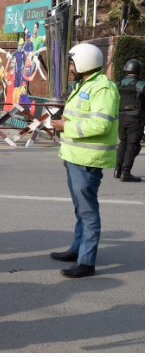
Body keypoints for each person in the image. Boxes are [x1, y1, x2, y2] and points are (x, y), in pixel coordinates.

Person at [49, 43, 119, 279]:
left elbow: (101, 124)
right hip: (75, 157)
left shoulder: (103, 89)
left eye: (72, 62)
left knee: (88, 211)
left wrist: (65, 126)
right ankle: (77, 249)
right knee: (80, 209)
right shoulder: (84, 85)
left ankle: (87, 262)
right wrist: (67, 154)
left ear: (84, 62)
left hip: (88, 159)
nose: (70, 66)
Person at [114, 59, 145, 182]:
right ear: (138, 70)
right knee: (133, 145)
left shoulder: (118, 84)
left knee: (123, 143)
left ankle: (118, 169)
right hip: (135, 119)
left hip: (121, 118)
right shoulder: (141, 84)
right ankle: (126, 173)